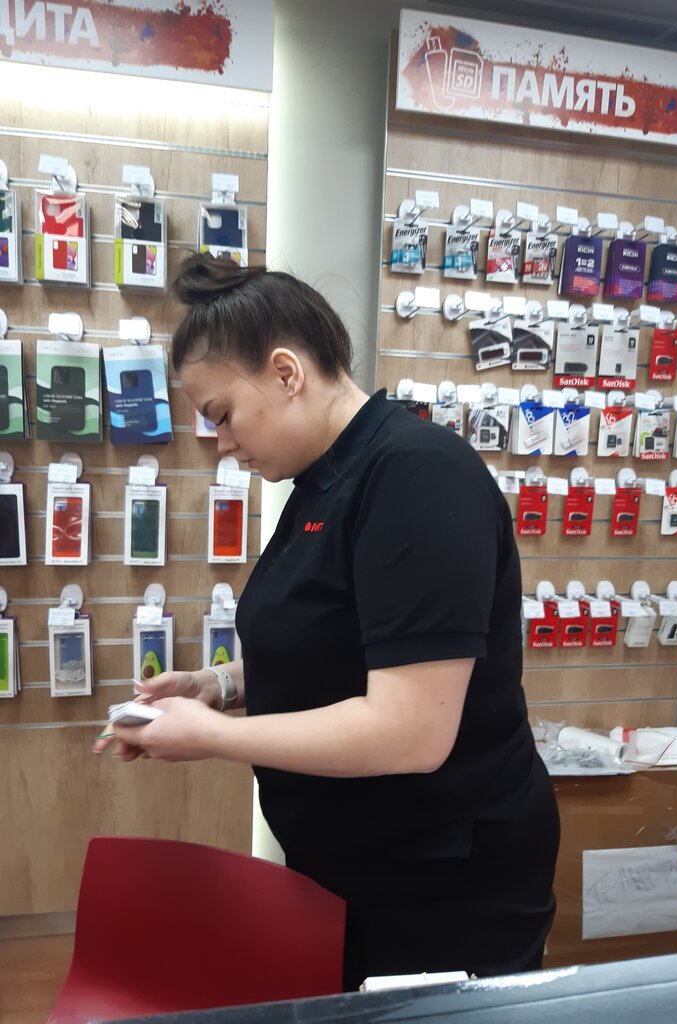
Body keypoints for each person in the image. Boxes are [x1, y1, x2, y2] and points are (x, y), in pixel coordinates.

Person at [94, 253, 560, 990]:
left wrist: (211, 737)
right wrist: (217, 685)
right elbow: (336, 646)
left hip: (442, 878)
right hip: (353, 863)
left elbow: (410, 730)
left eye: (222, 415)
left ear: (286, 372)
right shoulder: (323, 480)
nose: (221, 442)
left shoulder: (416, 475)